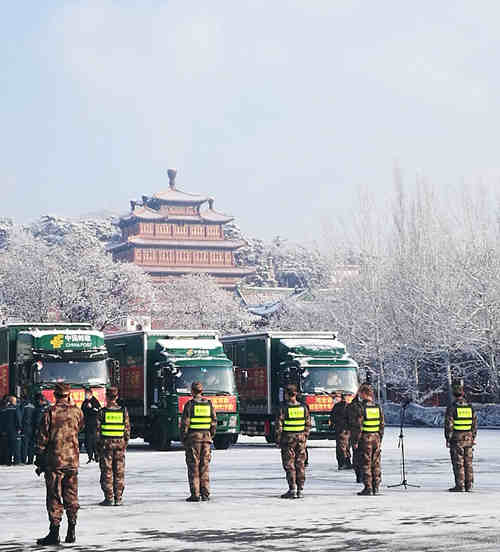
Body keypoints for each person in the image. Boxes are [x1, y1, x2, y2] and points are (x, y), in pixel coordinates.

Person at [35, 383, 84, 545]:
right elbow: (80, 428)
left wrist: (39, 457)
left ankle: (54, 533)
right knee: (71, 496)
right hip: (72, 461)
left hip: (55, 461)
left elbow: (43, 438)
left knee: (54, 496)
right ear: (69, 395)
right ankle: (72, 530)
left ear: (55, 395)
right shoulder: (77, 412)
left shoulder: (50, 412)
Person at [180, 381, 217, 502]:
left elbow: (185, 424)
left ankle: (195, 494)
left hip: (193, 440)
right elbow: (214, 422)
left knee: (193, 467)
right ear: (201, 391)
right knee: (204, 467)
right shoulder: (209, 404)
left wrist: (184, 438)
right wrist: (210, 435)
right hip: (206, 440)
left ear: (192, 391)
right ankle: (205, 493)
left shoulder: (189, 405)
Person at [275, 384, 311, 499]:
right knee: (300, 464)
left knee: (289, 465)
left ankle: (292, 489)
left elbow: (279, 426)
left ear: (286, 394)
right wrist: (304, 436)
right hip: (301, 439)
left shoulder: (283, 408)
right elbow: (308, 424)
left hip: (288, 440)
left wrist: (278, 440)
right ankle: (300, 489)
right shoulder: (304, 407)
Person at [96, 387, 130, 506]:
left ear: (106, 397)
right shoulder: (123, 411)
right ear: (116, 397)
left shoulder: (102, 412)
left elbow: (97, 431)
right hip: (120, 446)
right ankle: (119, 498)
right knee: (119, 471)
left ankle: (109, 498)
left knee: (107, 471)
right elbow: (127, 430)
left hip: (106, 447)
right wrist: (124, 443)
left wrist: (98, 447)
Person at [350, 383, 384, 496]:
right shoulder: (377, 407)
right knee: (376, 463)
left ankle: (368, 487)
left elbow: (358, 426)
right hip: (376, 438)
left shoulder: (360, 407)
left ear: (363, 394)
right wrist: (380, 438)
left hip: (365, 438)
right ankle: (376, 486)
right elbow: (382, 424)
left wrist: (355, 441)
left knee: (365, 463)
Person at [445, 383, 478, 492]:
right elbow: (474, 424)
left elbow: (449, 424)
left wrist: (448, 438)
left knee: (458, 462)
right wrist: (473, 436)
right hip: (468, 438)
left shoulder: (453, 407)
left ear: (454, 394)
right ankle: (469, 485)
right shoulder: (470, 406)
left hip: (456, 438)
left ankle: (460, 485)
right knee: (468, 462)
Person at [330, 393, 352, 470]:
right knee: (345, 447)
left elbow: (332, 417)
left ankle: (343, 463)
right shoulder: (349, 406)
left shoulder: (337, 406)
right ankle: (345, 463)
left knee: (342, 446)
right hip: (345, 429)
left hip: (340, 429)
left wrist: (333, 425)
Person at [347, 391, 364, 483]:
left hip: (359, 435)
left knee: (359, 456)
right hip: (359, 435)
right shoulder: (354, 407)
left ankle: (361, 476)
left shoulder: (352, 406)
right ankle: (361, 476)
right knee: (360, 456)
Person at [81, 388, 101, 463]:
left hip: (94, 424)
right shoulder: (85, 402)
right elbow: (82, 411)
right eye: (85, 394)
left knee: (95, 441)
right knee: (88, 441)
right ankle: (90, 456)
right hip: (87, 425)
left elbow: (98, 410)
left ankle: (97, 456)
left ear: (91, 394)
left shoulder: (95, 401)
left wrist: (92, 408)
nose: (85, 395)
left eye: (87, 394)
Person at [4, 395, 22, 466]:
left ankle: (8, 461)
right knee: (16, 446)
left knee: (8, 446)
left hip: (7, 430)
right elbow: (18, 419)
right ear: (13, 401)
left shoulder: (5, 408)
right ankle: (16, 461)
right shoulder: (16, 408)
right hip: (14, 429)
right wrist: (19, 428)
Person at [21, 394, 37, 464]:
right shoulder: (33, 406)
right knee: (31, 445)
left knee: (25, 445)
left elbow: (20, 417)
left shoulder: (23, 406)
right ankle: (30, 460)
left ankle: (23, 460)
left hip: (25, 427)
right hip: (32, 427)